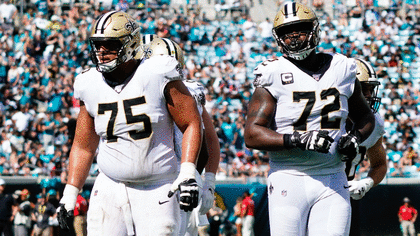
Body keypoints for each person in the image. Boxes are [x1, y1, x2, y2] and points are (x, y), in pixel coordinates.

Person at [56, 11, 203, 235]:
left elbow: (191, 123)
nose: (101, 52)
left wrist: (188, 172)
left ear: (131, 43)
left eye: (110, 45)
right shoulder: (89, 82)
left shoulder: (156, 73)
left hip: (158, 186)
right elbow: (83, 146)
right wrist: (70, 192)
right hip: (109, 186)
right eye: (97, 45)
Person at [244, 2, 375, 235]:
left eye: (300, 29)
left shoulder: (342, 68)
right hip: (288, 177)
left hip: (333, 178)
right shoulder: (271, 73)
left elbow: (365, 116)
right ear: (277, 37)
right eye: (286, 32)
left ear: (315, 29)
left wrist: (355, 138)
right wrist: (298, 139)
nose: (293, 36)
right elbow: (252, 134)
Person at [144, 37, 221, 236]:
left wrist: (207, 182)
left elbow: (209, 141)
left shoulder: (190, 91)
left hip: (178, 175)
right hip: (150, 175)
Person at [346, 58, 388, 236]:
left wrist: (367, 182)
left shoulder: (375, 122)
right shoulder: (319, 118)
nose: (369, 95)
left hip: (344, 194)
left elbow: (379, 163)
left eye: (371, 89)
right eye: (364, 89)